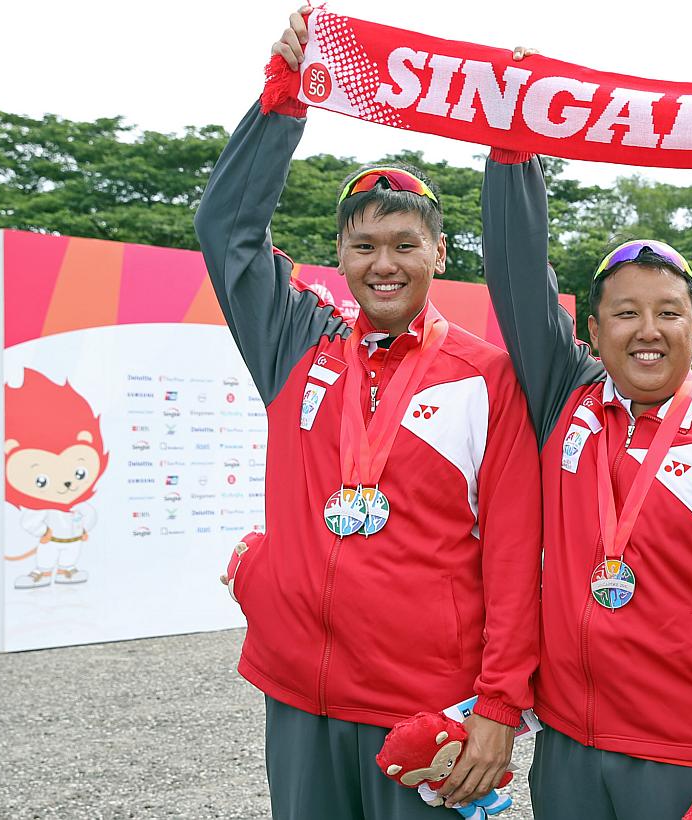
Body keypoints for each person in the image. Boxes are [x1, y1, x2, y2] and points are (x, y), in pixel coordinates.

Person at [194, 9, 542, 818]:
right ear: (340, 257)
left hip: (425, 709)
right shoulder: (297, 346)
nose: (384, 263)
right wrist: (283, 103)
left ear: (440, 255)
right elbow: (227, 231)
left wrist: (498, 705)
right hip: (299, 696)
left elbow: (516, 554)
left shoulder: (487, 377)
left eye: (405, 244)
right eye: (364, 246)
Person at [480, 136, 692, 817]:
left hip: (685, 752)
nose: (647, 330)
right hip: (567, 743)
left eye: (669, 313)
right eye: (626, 314)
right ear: (592, 332)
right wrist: (511, 152)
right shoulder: (565, 397)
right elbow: (514, 276)